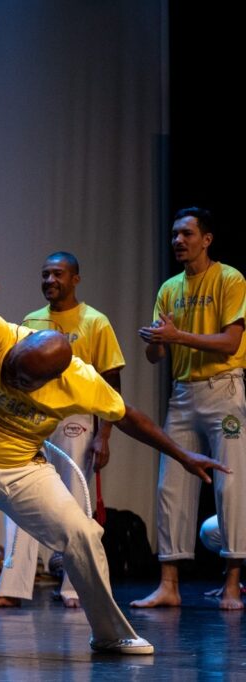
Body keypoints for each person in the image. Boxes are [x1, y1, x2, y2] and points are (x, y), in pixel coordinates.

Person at [0, 266, 227, 657]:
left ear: (51, 378)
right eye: (12, 370)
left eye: (23, 380)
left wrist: (182, 454)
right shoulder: (0, 338)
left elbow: (127, 415)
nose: (12, 379)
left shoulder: (79, 379)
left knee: (83, 533)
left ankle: (109, 632)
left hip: (22, 464)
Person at [0, 252, 125, 610]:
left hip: (76, 417)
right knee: (19, 498)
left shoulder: (95, 322)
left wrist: (104, 436)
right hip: (35, 417)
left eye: (57, 274)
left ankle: (77, 587)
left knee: (74, 499)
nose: (49, 281)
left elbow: (111, 381)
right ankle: (11, 587)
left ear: (75, 279)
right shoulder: (32, 319)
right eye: (44, 275)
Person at [132, 207, 246, 611]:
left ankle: (232, 583)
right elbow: (154, 356)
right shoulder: (168, 288)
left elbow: (231, 342)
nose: (178, 241)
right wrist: (156, 340)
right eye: (174, 235)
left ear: (206, 239)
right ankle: (169, 584)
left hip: (224, 388)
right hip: (183, 392)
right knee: (171, 487)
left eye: (186, 234)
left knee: (230, 485)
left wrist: (177, 334)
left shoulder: (229, 278)